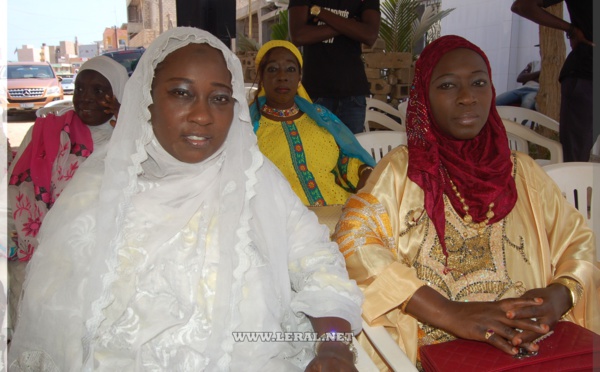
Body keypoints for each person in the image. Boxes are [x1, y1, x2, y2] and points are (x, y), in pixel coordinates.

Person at [8, 27, 363, 371]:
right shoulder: (99, 192)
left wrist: (334, 346)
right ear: (147, 100)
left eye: (220, 98)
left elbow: (318, 262)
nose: (202, 115)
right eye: (181, 93)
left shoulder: (256, 180)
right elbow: (59, 328)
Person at [333, 35, 599, 369]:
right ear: (423, 98)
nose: (466, 98)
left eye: (478, 83)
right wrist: (447, 312)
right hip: (431, 353)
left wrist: (563, 293)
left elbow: (577, 241)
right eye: (446, 85)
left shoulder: (523, 172)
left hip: (530, 348)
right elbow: (351, 239)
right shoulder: (404, 170)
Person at [7, 55, 128, 261]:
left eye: (99, 91)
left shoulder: (131, 133)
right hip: (47, 249)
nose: (85, 98)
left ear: (118, 93)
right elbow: (15, 186)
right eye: (79, 89)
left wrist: (127, 123)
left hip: (108, 248)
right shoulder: (48, 131)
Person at [249, 40, 376, 207]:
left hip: (337, 212)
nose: (282, 77)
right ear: (261, 76)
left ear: (299, 77)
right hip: (284, 223)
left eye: (290, 69)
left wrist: (365, 171)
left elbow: (345, 160)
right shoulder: (248, 128)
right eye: (272, 69)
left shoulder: (320, 119)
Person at [511, 0, 593, 162]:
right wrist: (570, 29)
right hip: (586, 76)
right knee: (575, 162)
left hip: (585, 76)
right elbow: (522, 6)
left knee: (575, 159)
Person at [288, 0, 381, 134]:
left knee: (351, 153)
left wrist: (320, 12)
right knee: (316, 151)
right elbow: (298, 35)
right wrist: (350, 25)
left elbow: (369, 35)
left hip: (353, 94)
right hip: (315, 93)